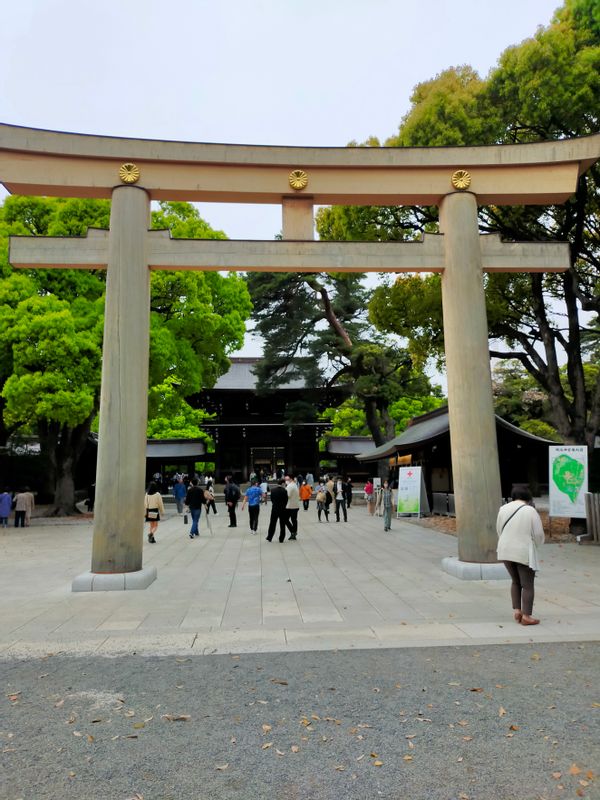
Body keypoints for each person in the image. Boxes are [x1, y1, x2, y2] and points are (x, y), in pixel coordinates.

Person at [496, 486, 545, 626]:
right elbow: (538, 534)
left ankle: (517, 610)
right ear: (528, 497)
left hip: (505, 549)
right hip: (523, 551)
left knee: (515, 581)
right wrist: (536, 544)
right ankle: (527, 616)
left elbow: (499, 529)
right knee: (528, 584)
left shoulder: (503, 508)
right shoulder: (530, 511)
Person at [284, 474, 300, 540]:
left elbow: (287, 495)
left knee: (285, 519)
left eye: (287, 479)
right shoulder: (295, 485)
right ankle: (294, 532)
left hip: (290, 506)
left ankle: (293, 531)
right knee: (294, 520)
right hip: (295, 505)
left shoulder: (290, 486)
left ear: (291, 479)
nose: (286, 481)